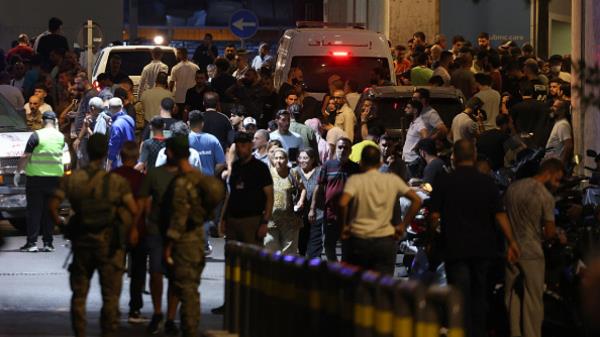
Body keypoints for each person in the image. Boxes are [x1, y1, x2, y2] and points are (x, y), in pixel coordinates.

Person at [48, 133, 137, 337]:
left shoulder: (74, 179)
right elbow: (133, 209)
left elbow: (52, 207)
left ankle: (80, 332)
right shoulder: (116, 181)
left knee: (79, 296)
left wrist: (64, 226)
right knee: (110, 296)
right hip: (109, 245)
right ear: (106, 152)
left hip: (82, 244)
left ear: (87, 151)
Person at [429, 140, 520, 337]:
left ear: (454, 156)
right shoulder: (486, 182)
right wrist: (512, 242)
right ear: (474, 155)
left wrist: (432, 238)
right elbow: (499, 214)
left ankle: (461, 332)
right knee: (479, 297)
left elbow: (434, 216)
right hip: (482, 250)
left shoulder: (444, 181)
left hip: (455, 250)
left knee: (459, 297)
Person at [161, 134, 225, 337]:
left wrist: (169, 245)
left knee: (186, 289)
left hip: (183, 241)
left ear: (171, 154)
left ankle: (189, 328)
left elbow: (179, 217)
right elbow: (217, 194)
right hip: (197, 237)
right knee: (190, 286)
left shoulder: (182, 182)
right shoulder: (202, 180)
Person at [504, 159, 565, 337]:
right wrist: (559, 236)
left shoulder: (514, 188)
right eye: (557, 179)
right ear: (549, 173)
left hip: (511, 249)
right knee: (533, 300)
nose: (557, 184)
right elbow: (550, 231)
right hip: (532, 252)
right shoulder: (545, 196)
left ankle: (514, 333)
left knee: (512, 297)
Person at [339, 146, 421, 274]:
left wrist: (345, 227)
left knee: (360, 284)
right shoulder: (392, 180)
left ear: (361, 162)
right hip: (385, 240)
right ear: (380, 163)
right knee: (383, 284)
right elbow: (417, 200)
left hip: (360, 240)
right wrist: (403, 226)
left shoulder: (355, 180)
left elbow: (343, 203)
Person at [136, 136, 182, 334]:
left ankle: (171, 317)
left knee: (175, 275)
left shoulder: (187, 175)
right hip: (156, 229)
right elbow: (144, 201)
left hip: (178, 232)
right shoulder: (155, 174)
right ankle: (157, 312)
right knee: (155, 272)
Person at [16, 111, 66, 252]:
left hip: (36, 179)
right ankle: (48, 243)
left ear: (43, 121)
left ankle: (32, 243)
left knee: (34, 212)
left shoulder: (36, 135)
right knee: (50, 211)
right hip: (55, 180)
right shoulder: (61, 137)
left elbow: (26, 156)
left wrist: (18, 171)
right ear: (55, 121)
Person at [109, 142, 147, 327]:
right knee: (138, 272)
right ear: (135, 158)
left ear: (121, 157)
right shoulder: (140, 179)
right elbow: (142, 205)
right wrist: (134, 227)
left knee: (115, 271)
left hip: (115, 230)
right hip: (138, 230)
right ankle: (135, 308)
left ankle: (113, 307)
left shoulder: (111, 176)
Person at [310, 137, 359, 261]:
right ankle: (334, 267)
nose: (342, 150)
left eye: (346, 148)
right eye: (340, 147)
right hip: (330, 213)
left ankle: (343, 272)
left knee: (347, 247)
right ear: (335, 148)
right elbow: (319, 187)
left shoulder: (355, 168)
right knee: (328, 245)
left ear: (350, 151)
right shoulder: (328, 165)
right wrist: (312, 208)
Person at [264, 148, 306, 254]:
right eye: (276, 158)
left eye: (281, 158)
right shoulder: (267, 173)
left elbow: (303, 189)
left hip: (290, 220)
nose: (278, 160)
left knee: (289, 252)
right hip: (271, 220)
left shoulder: (293, 173)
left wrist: (301, 201)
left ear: (287, 160)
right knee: (269, 246)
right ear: (272, 160)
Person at [295, 148, 324, 257]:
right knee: (302, 247)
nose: (302, 160)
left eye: (305, 158)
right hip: (299, 215)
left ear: (312, 159)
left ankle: (315, 269)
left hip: (317, 213)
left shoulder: (320, 171)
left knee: (315, 248)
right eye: (300, 158)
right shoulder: (295, 171)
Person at [170, 48, 200, 117]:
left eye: (177, 53)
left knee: (179, 118)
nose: (176, 55)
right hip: (193, 98)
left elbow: (171, 83)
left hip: (179, 98)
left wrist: (170, 96)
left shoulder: (175, 68)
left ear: (180, 54)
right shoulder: (195, 67)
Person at [107, 97, 135, 169]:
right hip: (132, 155)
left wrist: (109, 161)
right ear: (122, 106)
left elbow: (113, 144)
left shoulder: (116, 125)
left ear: (109, 108)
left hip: (120, 159)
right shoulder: (130, 119)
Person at [402, 100, 427, 178]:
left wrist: (416, 147)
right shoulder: (413, 123)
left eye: (408, 108)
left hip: (413, 161)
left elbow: (425, 136)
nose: (405, 110)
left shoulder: (419, 123)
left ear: (415, 110)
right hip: (408, 161)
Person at [544, 100, 573, 165]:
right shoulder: (558, 123)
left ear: (563, 110)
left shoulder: (563, 125)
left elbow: (568, 145)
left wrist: (561, 163)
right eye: (553, 106)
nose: (552, 108)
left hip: (556, 165)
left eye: (555, 107)